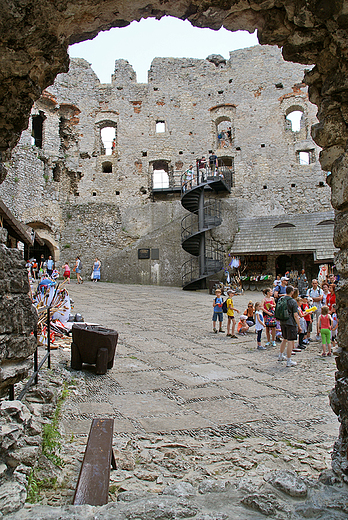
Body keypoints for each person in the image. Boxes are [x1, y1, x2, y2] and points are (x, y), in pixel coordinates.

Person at [277, 285, 302, 367]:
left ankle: (280, 355)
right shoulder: (293, 302)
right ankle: (289, 360)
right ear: (292, 292)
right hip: (290, 323)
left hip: (282, 321)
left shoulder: (281, 299)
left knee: (284, 339)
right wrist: (299, 326)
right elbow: (295, 315)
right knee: (290, 341)